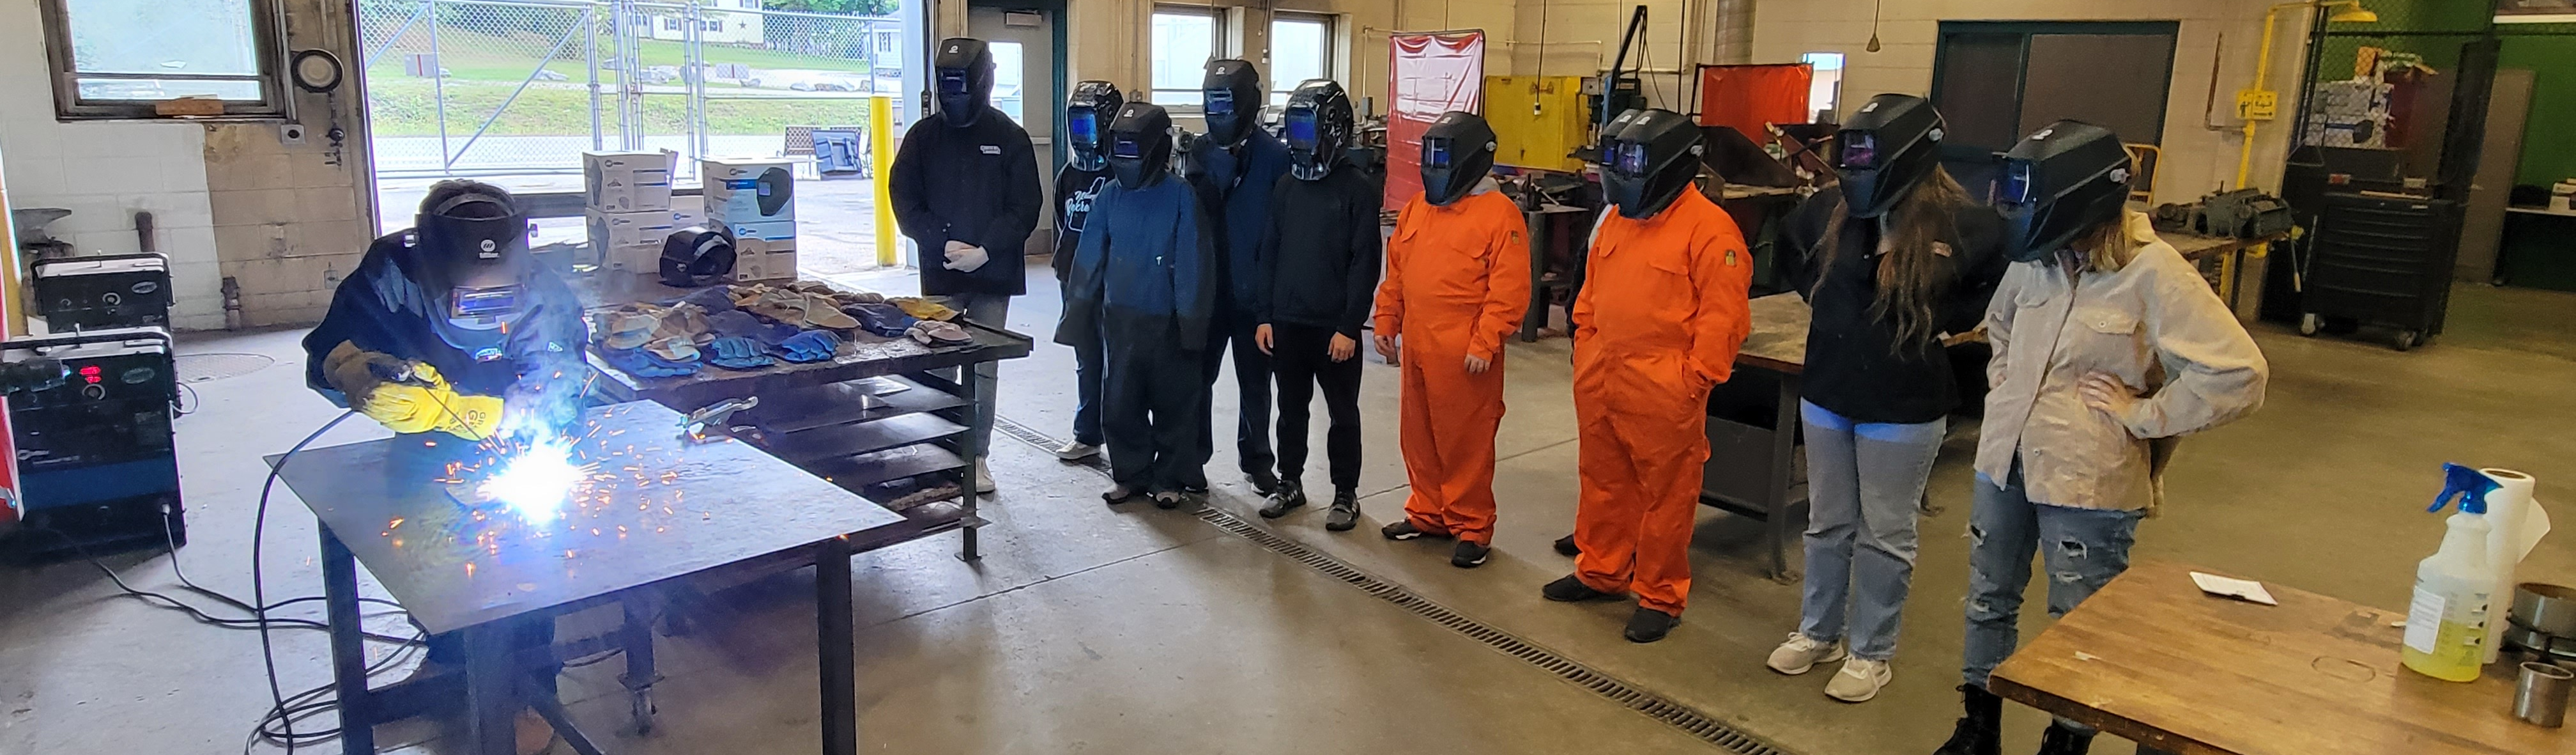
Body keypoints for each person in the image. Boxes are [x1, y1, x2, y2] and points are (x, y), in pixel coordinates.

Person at [1933, 121, 2267, 755]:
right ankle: (1979, 724)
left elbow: (2238, 374)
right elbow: (1998, 325)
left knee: (2082, 621)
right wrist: (2007, 386)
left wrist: (2144, 416)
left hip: (2089, 480)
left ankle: (2067, 741)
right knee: (1988, 598)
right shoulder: (2036, 261)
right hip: (2005, 461)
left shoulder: (2153, 272)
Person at [302, 180, 589, 755]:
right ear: (429, 265)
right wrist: (353, 371)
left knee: (525, 552)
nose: (484, 306)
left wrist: (497, 415)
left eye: (497, 295)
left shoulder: (543, 291)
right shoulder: (392, 272)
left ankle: (533, 690)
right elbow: (333, 345)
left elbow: (559, 382)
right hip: (426, 439)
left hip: (517, 437)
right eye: (468, 297)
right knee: (428, 545)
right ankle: (447, 658)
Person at [1764, 94, 2009, 703]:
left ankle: (1871, 650)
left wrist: (1945, 320)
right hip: (1827, 391)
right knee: (1828, 523)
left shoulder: (1964, 224)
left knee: (1885, 531)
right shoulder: (1830, 210)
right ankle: (1818, 631)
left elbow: (1998, 275)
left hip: (1903, 404)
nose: (1856, 171)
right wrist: (1823, 302)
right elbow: (1786, 248)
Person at [1541, 109, 1753, 643]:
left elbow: (1724, 318)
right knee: (1603, 480)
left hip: (1665, 387)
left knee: (1667, 497)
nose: (1621, 173)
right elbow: (1588, 293)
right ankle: (1601, 570)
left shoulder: (1710, 231)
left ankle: (1659, 594)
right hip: (1602, 377)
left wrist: (1693, 378)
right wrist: (1586, 346)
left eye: (1631, 160)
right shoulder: (1616, 218)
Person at [1370, 111, 1531, 568]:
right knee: (1418, 434)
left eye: (1443, 156)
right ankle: (1428, 511)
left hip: (1466, 353)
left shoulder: (1500, 215)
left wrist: (1486, 341)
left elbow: (1510, 288)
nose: (1434, 165)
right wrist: (1387, 320)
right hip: (1420, 343)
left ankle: (1472, 525)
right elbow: (1397, 271)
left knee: (1466, 441)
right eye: (1430, 155)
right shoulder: (1419, 209)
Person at [888, 37, 1043, 494]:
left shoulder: (1009, 137)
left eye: (961, 85)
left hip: (992, 276)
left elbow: (1026, 205)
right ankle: (936, 453)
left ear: (982, 82)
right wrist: (939, 240)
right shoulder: (922, 138)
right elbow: (904, 199)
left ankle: (975, 456)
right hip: (941, 272)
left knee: (983, 368)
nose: (954, 94)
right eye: (947, 86)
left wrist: (988, 249)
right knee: (936, 366)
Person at [1061, 102, 1219, 510]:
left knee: (1174, 403)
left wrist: (1193, 321)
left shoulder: (1181, 196)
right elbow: (1089, 256)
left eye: (1134, 150)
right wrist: (1078, 311)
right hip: (1121, 318)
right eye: (1121, 150)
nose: (1126, 160)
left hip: (1168, 320)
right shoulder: (1110, 197)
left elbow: (1193, 263)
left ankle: (1170, 477)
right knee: (1120, 403)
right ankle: (1130, 474)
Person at [1250, 79, 1381, 530]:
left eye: (1309, 130)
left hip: (1335, 329)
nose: (1302, 140)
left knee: (1343, 413)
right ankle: (1290, 482)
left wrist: (1350, 324)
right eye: (1296, 130)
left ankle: (1346, 493)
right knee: (1291, 409)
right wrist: (1264, 315)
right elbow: (1269, 251)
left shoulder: (1358, 190)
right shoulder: (1286, 187)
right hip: (1288, 322)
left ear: (1334, 131)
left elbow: (1365, 262)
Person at [1183, 59, 1292, 497]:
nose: (1220, 112)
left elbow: (1282, 228)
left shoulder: (1275, 158)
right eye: (1214, 102)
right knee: (1197, 378)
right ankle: (1192, 458)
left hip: (1254, 294)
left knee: (1256, 384)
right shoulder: (1199, 154)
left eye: (1227, 102)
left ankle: (1257, 461)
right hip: (1208, 290)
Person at [1048, 81, 1123, 462]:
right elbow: (1063, 222)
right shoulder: (1068, 175)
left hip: (1111, 282)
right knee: (1086, 357)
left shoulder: (1121, 175)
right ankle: (1087, 433)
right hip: (1074, 280)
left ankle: (1122, 439)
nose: (1082, 136)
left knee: (1117, 362)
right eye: (1076, 126)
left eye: (1089, 126)